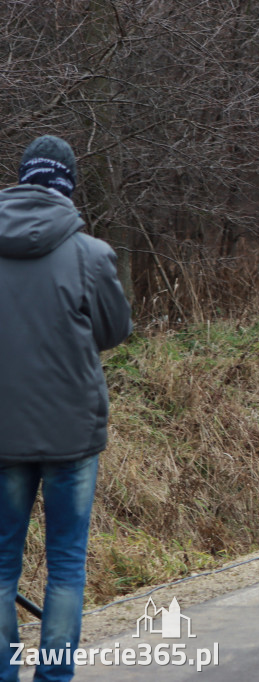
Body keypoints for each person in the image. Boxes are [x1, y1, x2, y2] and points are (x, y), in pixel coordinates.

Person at [0, 135, 133, 682]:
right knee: (66, 569)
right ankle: (53, 678)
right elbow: (114, 331)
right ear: (68, 187)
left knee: (2, 567)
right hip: (72, 436)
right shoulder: (90, 254)